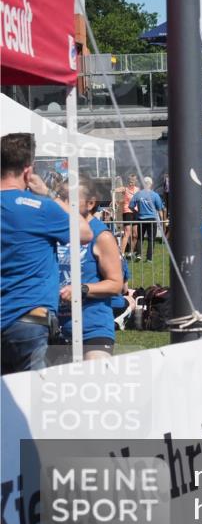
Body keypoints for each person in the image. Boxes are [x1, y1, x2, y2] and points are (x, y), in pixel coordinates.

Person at [2, 133, 93, 374]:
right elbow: (85, 232)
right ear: (27, 171)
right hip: (29, 318)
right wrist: (49, 194)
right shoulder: (40, 208)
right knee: (32, 394)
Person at [56, 177, 124, 361]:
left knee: (93, 377)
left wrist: (81, 289)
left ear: (91, 203)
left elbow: (116, 284)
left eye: (69, 198)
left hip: (92, 328)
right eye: (60, 196)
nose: (62, 203)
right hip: (55, 327)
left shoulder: (101, 236)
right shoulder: (57, 230)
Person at [129, 176, 165, 262]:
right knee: (151, 239)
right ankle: (149, 258)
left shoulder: (138, 194)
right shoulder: (155, 195)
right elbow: (160, 209)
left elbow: (130, 206)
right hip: (152, 219)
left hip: (141, 219)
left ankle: (139, 254)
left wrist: (136, 212)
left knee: (140, 238)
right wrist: (162, 221)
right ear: (151, 184)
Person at [120, 173, 139, 257]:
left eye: (132, 181)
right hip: (127, 211)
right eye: (130, 181)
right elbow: (116, 189)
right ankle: (121, 254)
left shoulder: (138, 190)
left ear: (135, 181)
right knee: (127, 233)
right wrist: (113, 191)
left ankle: (131, 252)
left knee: (135, 235)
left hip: (135, 212)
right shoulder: (125, 189)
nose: (131, 183)